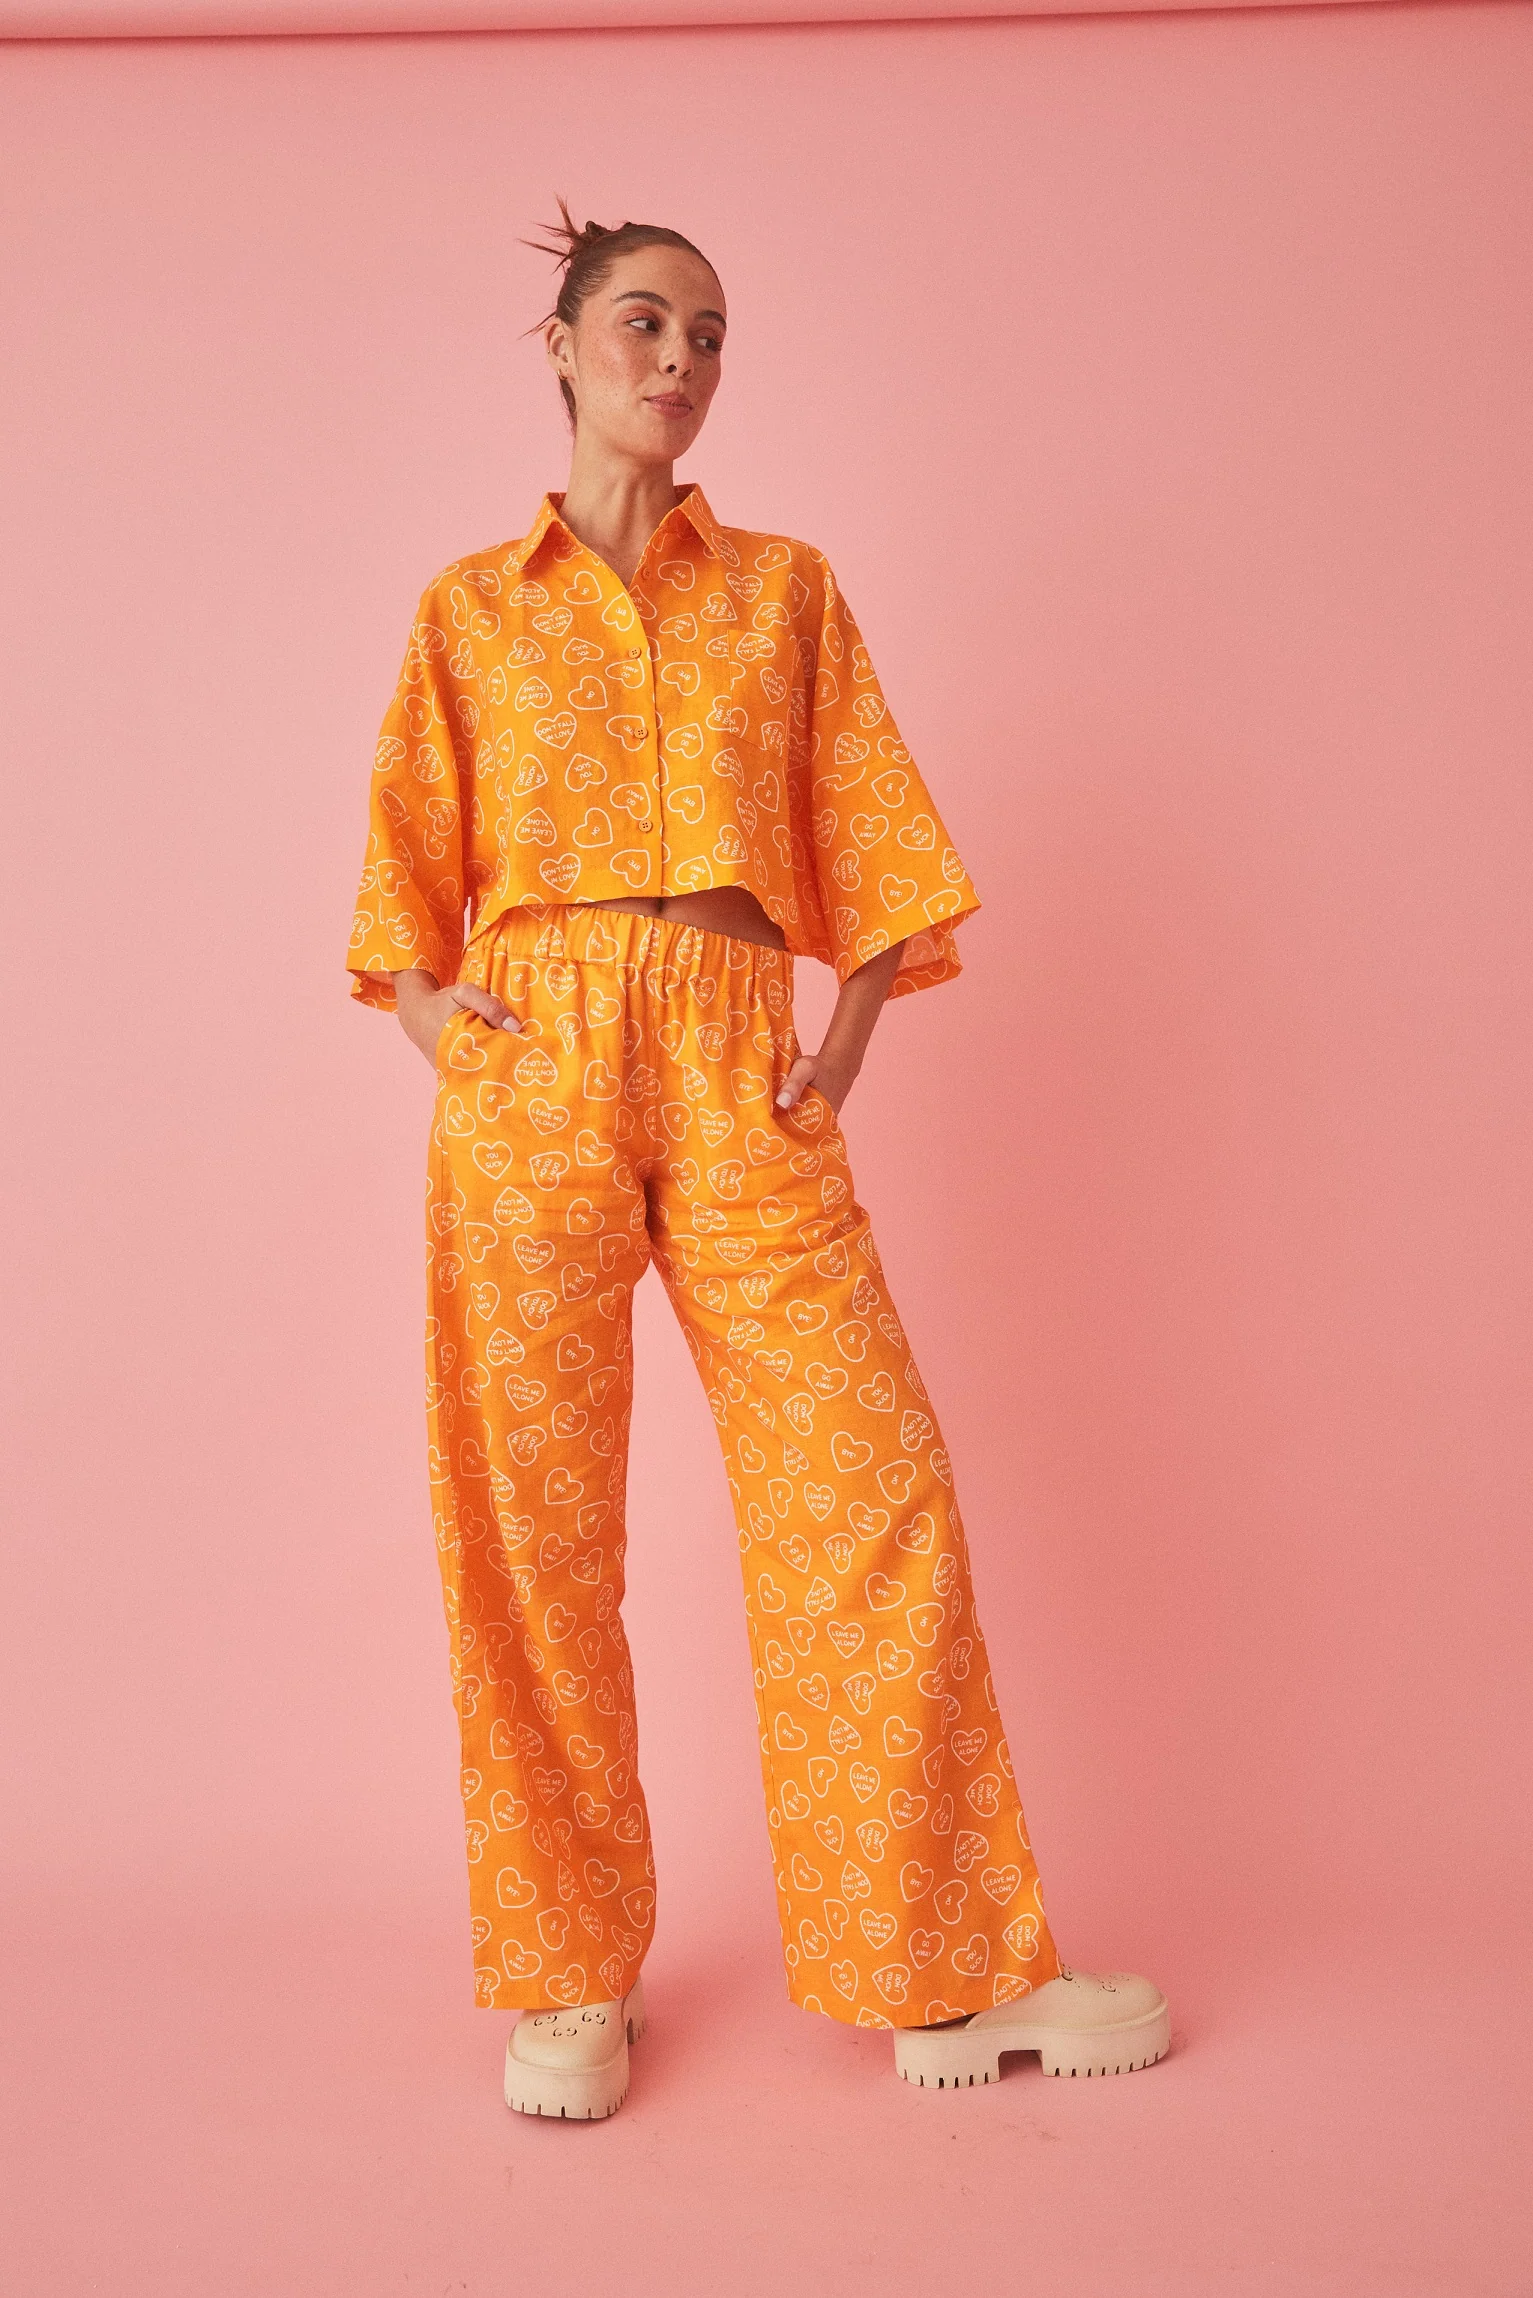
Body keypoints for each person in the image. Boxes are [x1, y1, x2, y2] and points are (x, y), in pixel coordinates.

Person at [344, 198, 1168, 2120]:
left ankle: (946, 1972)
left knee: (866, 1489)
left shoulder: (786, 592)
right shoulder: (471, 608)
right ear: (563, 346)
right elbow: (401, 889)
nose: (682, 362)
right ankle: (570, 1971)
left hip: (735, 1059)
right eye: (646, 322)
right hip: (537, 1062)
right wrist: (441, 1029)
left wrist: (841, 1047)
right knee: (532, 1528)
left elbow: (876, 844)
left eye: (710, 336)